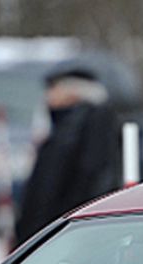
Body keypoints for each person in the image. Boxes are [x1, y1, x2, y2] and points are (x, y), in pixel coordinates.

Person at [16, 67, 121, 244]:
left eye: (54, 89)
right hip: (51, 230)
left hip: (66, 232)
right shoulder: (63, 126)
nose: (48, 96)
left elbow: (89, 178)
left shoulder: (87, 126)